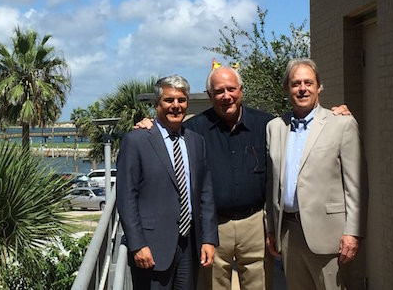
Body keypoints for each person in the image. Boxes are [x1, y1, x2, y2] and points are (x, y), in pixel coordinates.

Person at [135, 64, 351, 290]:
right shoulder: (193, 129)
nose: (226, 96)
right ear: (210, 95)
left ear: (241, 91)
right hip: (213, 228)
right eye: (219, 91)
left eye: (231, 89)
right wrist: (148, 124)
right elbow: (165, 134)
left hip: (255, 225)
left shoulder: (268, 125)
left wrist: (336, 115)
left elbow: (304, 133)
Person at [265, 58, 367, 290]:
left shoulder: (341, 124)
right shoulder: (275, 128)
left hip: (329, 236)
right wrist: (271, 227)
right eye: (296, 83)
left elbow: (357, 185)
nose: (302, 88)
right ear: (287, 89)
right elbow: (271, 183)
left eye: (308, 83)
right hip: (289, 233)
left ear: (319, 87)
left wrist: (353, 232)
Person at [117, 75, 218, 290]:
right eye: (169, 100)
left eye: (181, 100)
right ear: (157, 104)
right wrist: (138, 244)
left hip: (189, 245)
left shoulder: (195, 141)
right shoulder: (136, 141)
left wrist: (209, 239)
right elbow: (126, 198)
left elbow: (205, 194)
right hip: (152, 248)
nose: (176, 106)